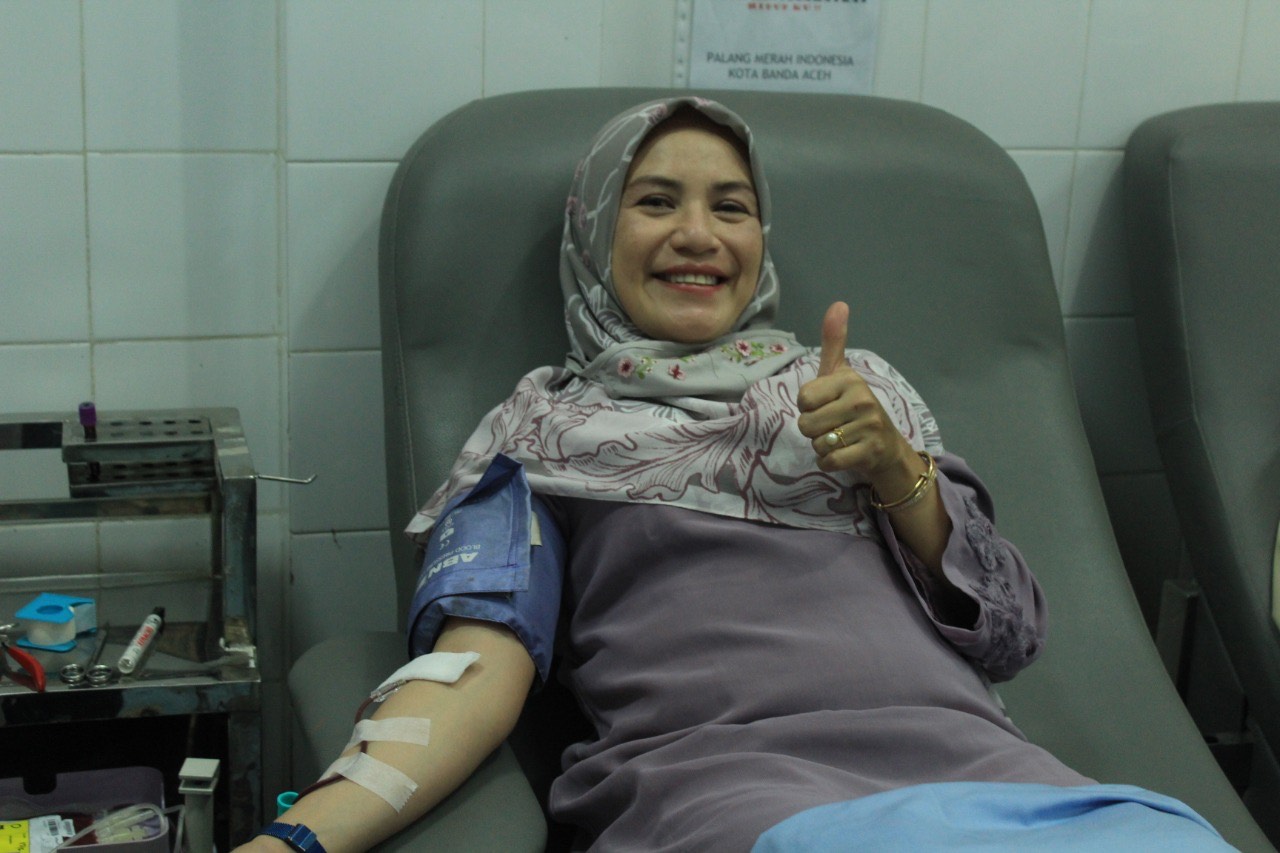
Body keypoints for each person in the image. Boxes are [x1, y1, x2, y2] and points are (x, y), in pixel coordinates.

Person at [237, 98, 1236, 852]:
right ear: (593, 232)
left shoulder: (853, 393)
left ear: (761, 240)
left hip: (987, 775)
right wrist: (297, 839)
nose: (698, 234)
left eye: (731, 207)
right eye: (654, 201)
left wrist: (897, 469)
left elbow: (1010, 630)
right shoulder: (538, 434)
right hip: (725, 785)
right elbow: (470, 675)